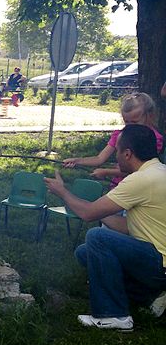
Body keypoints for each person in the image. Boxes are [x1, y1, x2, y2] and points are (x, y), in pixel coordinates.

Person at [44, 124, 166, 331]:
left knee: (97, 237)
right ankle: (149, 295)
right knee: (85, 252)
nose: (115, 157)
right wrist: (99, 208)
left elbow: (87, 214)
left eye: (117, 151)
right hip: (156, 257)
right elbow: (126, 227)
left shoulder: (140, 180)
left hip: (159, 264)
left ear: (127, 154)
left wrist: (63, 192)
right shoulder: (158, 171)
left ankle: (113, 314)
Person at [63, 93, 163, 189]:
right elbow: (99, 159)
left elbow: (139, 169)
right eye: (126, 122)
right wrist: (77, 161)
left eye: (134, 122)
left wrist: (106, 172)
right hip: (120, 185)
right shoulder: (120, 135)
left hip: (139, 186)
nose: (130, 126)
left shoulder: (154, 139)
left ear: (149, 116)